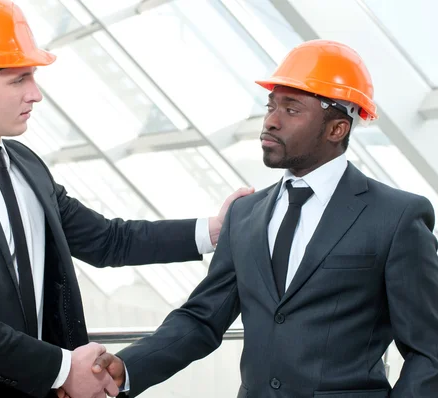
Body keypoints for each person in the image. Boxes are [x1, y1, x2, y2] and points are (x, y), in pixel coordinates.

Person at [0, 1, 253, 398]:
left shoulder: (25, 165)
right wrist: (63, 368)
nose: (35, 95)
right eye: (19, 80)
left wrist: (212, 230)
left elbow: (107, 240)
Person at [92, 39, 438, 397]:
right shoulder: (245, 214)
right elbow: (202, 318)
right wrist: (128, 367)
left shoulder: (396, 217)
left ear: (337, 129)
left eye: (291, 110)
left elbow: (429, 352)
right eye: (271, 106)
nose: (270, 122)